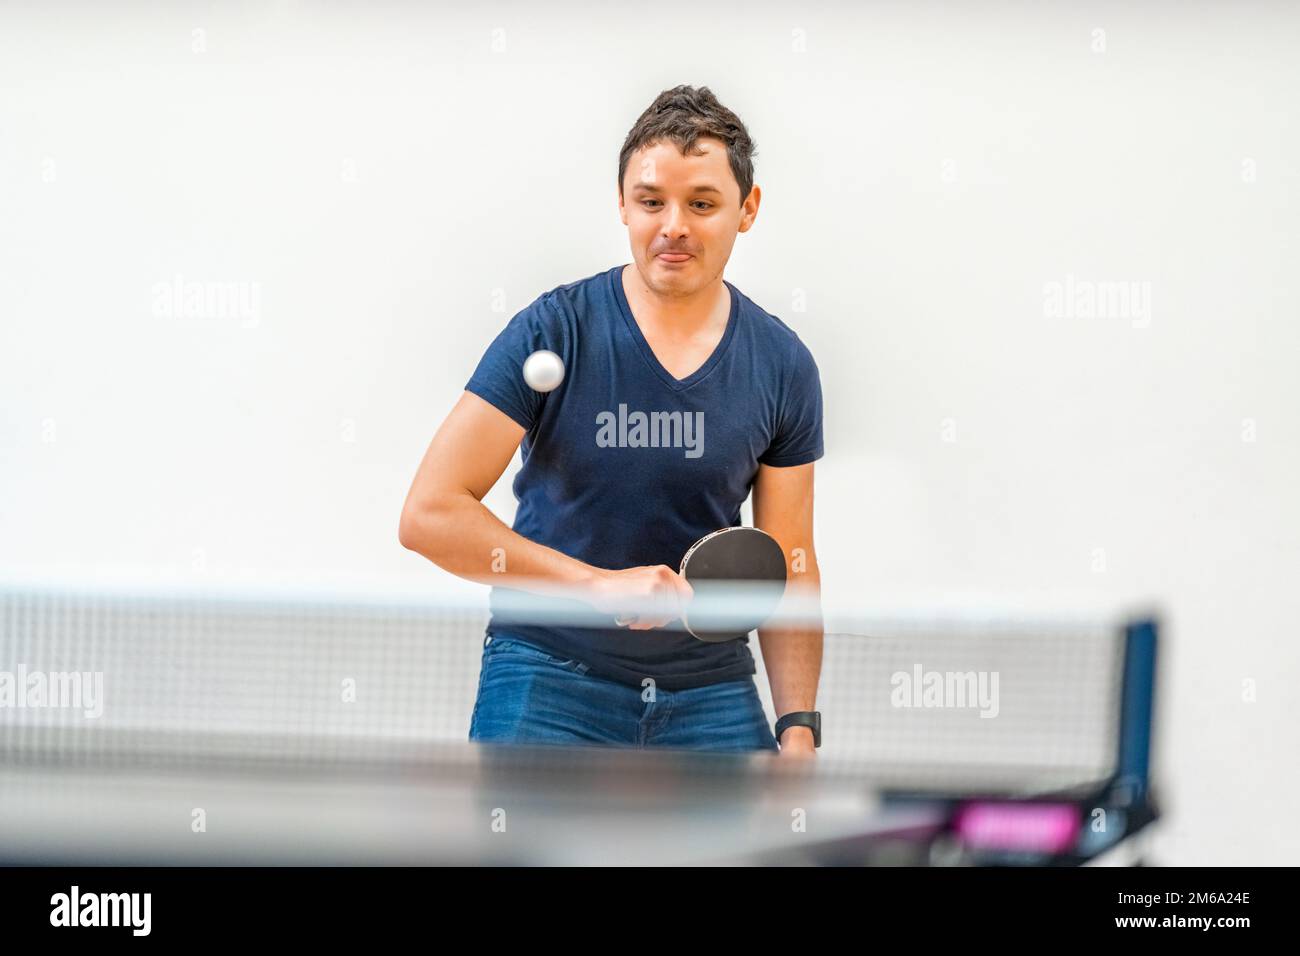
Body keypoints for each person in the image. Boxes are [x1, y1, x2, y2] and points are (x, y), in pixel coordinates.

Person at [399, 85, 824, 756]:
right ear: (622, 204)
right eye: (652, 200)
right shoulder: (553, 330)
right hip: (548, 675)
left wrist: (798, 726)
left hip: (709, 690)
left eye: (703, 204)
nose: (673, 225)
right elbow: (429, 515)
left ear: (748, 210)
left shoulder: (781, 364)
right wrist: (596, 586)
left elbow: (792, 564)